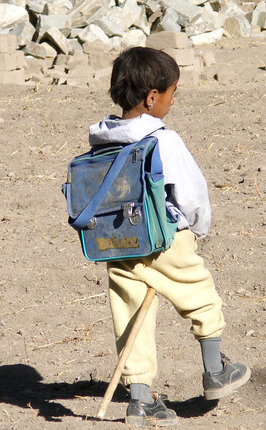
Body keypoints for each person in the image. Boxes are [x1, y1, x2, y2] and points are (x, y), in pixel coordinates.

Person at [87, 46, 250, 427]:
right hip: (164, 240)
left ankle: (140, 400)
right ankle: (216, 371)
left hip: (116, 242)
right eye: (173, 94)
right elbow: (192, 192)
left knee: (130, 318)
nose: (173, 102)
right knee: (200, 296)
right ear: (152, 98)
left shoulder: (102, 140)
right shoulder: (163, 140)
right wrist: (199, 227)